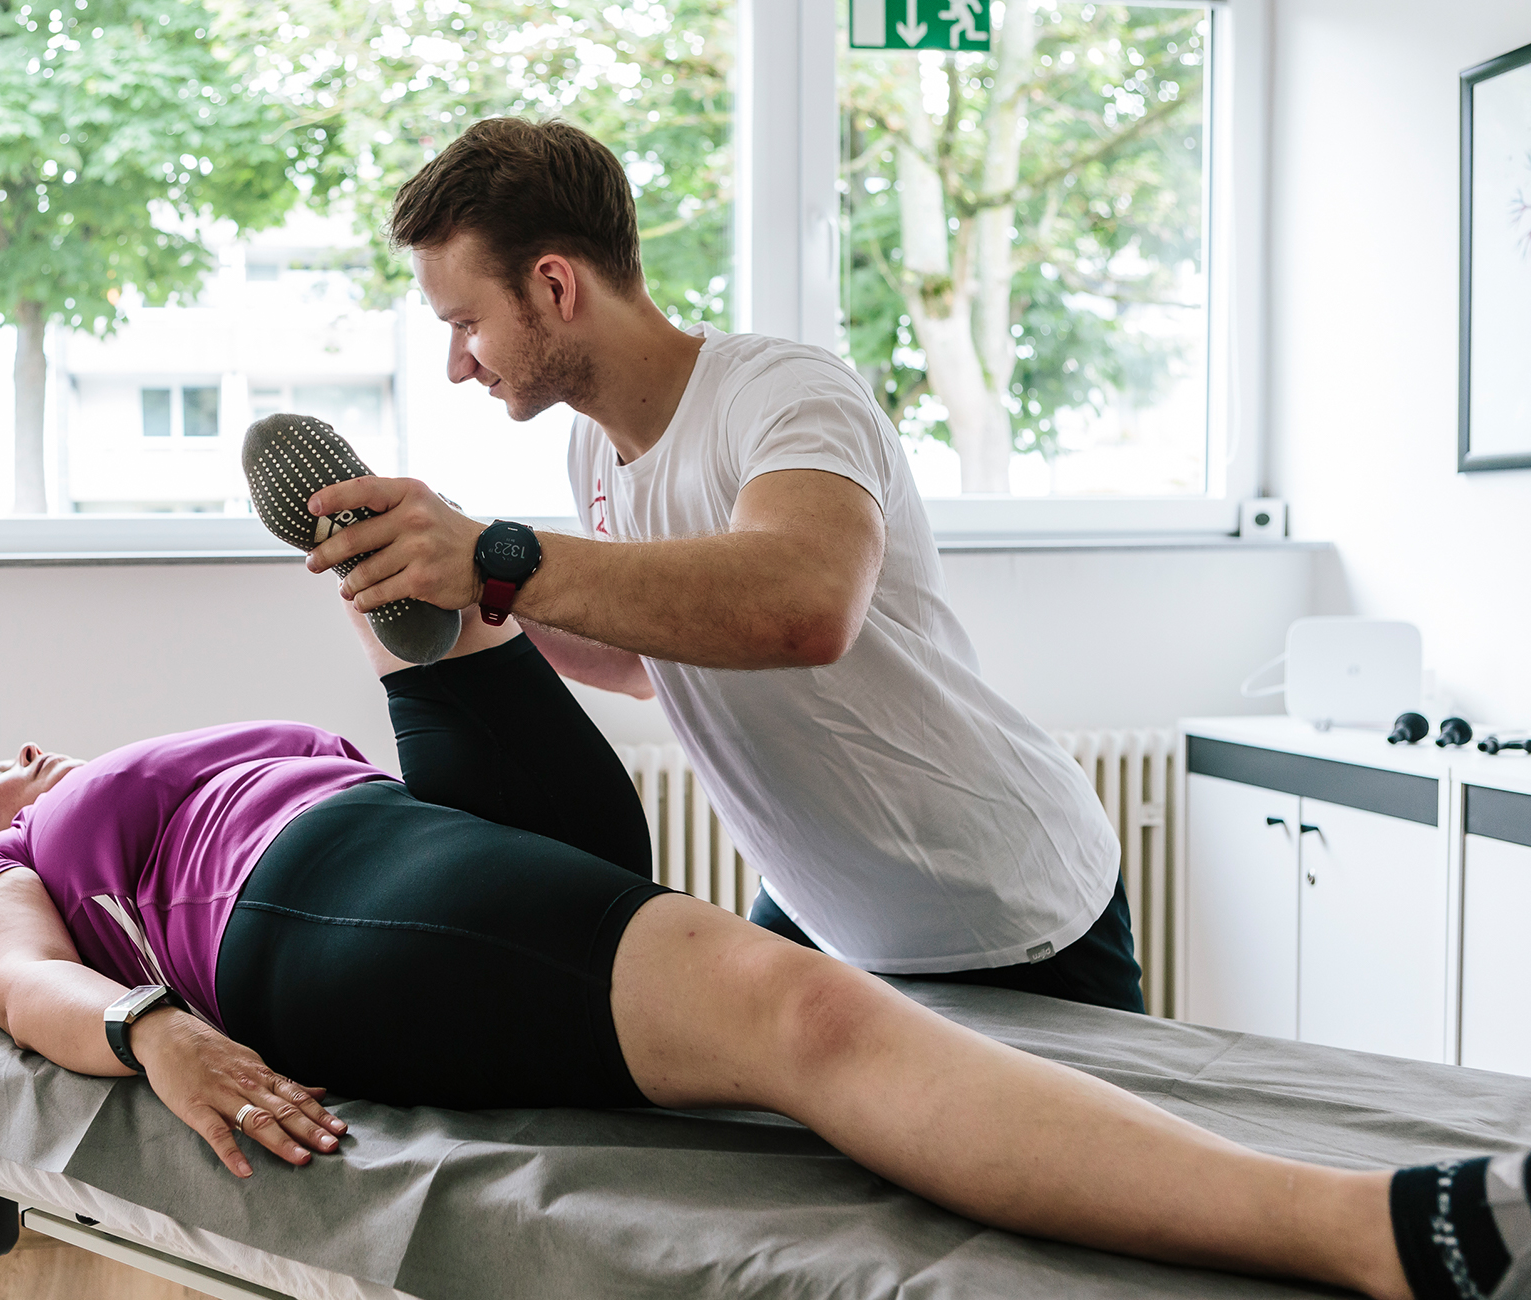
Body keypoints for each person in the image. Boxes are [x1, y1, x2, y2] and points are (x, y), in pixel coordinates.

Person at [0, 612, 1527, 1300]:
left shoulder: (145, 766)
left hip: (400, 849)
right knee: (800, 1007)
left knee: (778, 1000)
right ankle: (1373, 1235)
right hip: (299, 910)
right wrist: (148, 1033)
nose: (20, 755)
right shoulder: (3, 869)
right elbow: (15, 984)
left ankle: (443, 617)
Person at [295, 116, 1144, 1012]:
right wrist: (473, 595)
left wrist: (495, 554)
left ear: (552, 285)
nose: (458, 365)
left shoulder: (785, 393)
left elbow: (805, 606)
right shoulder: (592, 452)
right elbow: (641, 659)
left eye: (467, 323)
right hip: (827, 915)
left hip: (1000, 907)